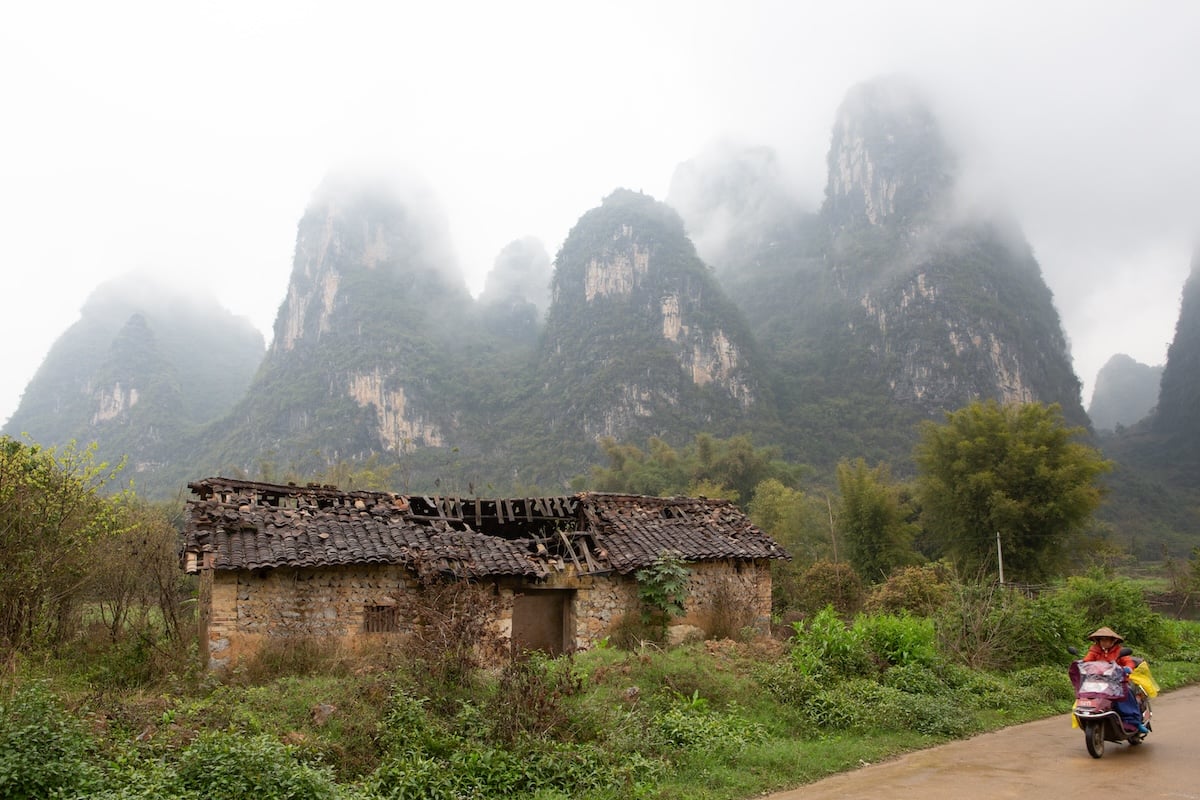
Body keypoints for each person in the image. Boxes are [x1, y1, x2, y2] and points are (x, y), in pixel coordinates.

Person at [1084, 626, 1148, 734]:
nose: (1103, 642)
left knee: (1125, 693)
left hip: (1117, 680)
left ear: (1113, 641)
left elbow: (1128, 661)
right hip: (1099, 681)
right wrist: (1083, 666)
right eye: (1101, 640)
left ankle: (1135, 722)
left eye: (1106, 640)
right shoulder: (1094, 650)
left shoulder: (1119, 651)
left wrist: (1128, 668)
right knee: (1085, 693)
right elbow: (1087, 661)